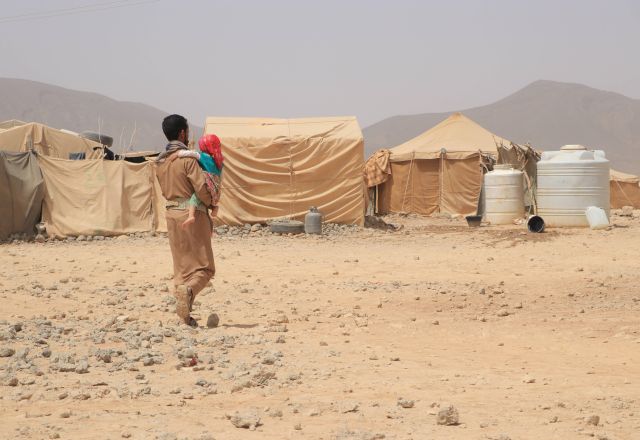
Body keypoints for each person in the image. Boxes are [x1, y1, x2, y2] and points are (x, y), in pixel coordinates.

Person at [155, 114, 215, 327]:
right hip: (192, 214)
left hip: (171, 215)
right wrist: (212, 202)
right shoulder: (188, 160)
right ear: (182, 133)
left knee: (181, 267)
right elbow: (201, 188)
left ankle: (184, 317)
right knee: (205, 268)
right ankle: (189, 292)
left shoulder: (160, 162)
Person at [170, 134, 224, 229]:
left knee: (195, 198)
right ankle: (215, 207)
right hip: (216, 190)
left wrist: (177, 154)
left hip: (208, 186)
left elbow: (191, 153)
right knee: (207, 202)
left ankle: (191, 216)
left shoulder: (203, 156)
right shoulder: (218, 161)